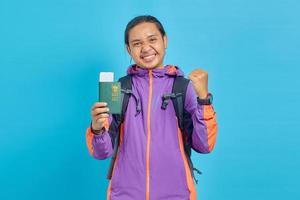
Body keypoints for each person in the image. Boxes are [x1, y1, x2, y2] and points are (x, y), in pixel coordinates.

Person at [86, 15, 218, 200]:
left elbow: (204, 145)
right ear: (128, 49)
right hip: (124, 195)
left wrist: (203, 99)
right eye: (137, 43)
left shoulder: (183, 88)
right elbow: (101, 153)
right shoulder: (117, 89)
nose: (146, 48)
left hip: (177, 195)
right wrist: (97, 129)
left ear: (165, 41)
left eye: (152, 39)